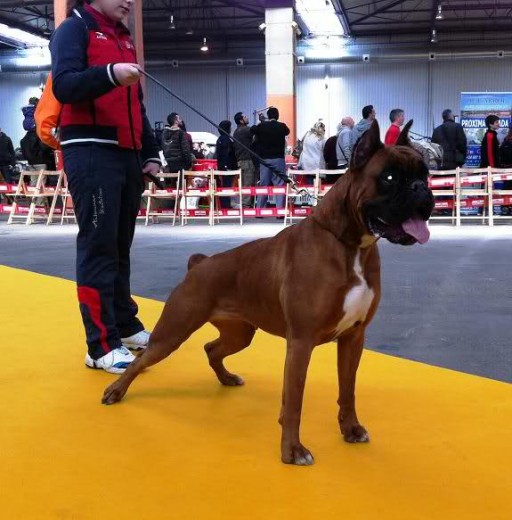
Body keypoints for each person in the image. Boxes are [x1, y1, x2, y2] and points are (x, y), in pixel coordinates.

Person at [50, 0, 162, 374]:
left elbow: (136, 102)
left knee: (119, 246)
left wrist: (151, 152)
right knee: (99, 246)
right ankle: (99, 345)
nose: (129, 1)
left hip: (127, 153)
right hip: (91, 151)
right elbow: (64, 86)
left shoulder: (123, 37)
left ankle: (125, 325)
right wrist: (111, 73)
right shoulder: (74, 28)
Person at [251, 106, 290, 212]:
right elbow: (287, 132)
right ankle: (280, 211)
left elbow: (253, 129)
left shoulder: (262, 126)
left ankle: (259, 210)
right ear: (278, 116)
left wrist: (263, 121)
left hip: (265, 160)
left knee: (264, 184)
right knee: (280, 184)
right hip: (278, 159)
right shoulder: (282, 126)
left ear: (268, 116)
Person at [233, 111, 256, 207]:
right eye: (245, 117)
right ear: (241, 120)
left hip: (240, 161)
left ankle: (246, 203)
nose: (247, 118)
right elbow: (256, 132)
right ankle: (246, 204)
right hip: (247, 161)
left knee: (244, 183)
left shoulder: (236, 132)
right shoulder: (246, 130)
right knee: (248, 183)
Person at [215, 120, 238, 209]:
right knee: (226, 186)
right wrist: (227, 167)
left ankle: (226, 204)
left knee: (226, 186)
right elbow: (225, 154)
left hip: (224, 167)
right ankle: (226, 205)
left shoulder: (222, 139)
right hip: (227, 168)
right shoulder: (225, 139)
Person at [298, 120, 326, 185]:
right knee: (317, 185)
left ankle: (310, 195)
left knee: (309, 184)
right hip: (317, 164)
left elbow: (301, 145)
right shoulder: (322, 139)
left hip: (306, 163)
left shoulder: (307, 135)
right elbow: (324, 150)